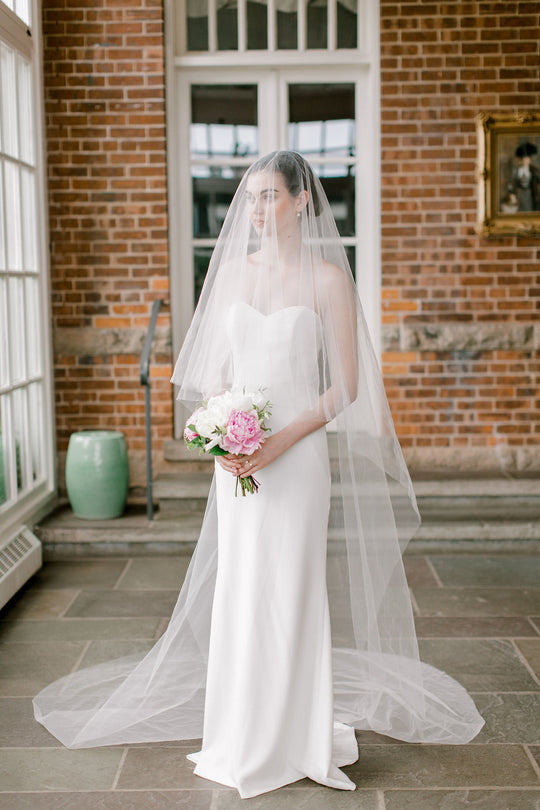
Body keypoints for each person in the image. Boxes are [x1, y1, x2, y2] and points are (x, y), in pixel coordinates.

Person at [33, 151, 484, 799]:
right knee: (243, 593)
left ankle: (296, 738)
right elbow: (215, 379)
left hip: (296, 463)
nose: (257, 211)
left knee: (291, 593)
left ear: (303, 201)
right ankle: (241, 735)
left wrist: (276, 443)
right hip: (239, 461)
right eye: (250, 199)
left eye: (270, 196)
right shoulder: (234, 279)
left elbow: (344, 391)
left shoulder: (328, 281)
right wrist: (221, 437)